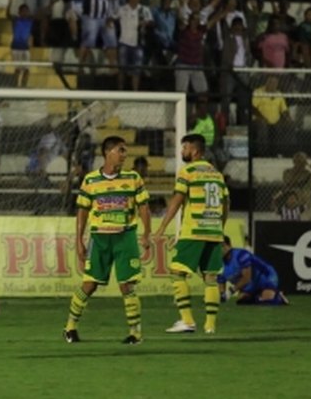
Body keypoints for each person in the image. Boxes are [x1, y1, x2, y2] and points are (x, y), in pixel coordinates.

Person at [62, 136, 152, 345]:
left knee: (127, 286)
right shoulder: (91, 180)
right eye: (121, 150)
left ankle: (135, 333)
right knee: (89, 285)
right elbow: (82, 211)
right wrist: (78, 241)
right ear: (108, 152)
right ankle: (70, 327)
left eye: (125, 151)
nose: (124, 155)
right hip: (99, 237)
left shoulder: (133, 178)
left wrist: (147, 233)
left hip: (125, 237)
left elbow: (144, 207)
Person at [155, 134, 229, 335]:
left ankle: (187, 320)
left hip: (193, 230)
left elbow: (177, 201)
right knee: (211, 278)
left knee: (177, 273)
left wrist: (162, 228)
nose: (182, 151)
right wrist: (219, 228)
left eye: (185, 147)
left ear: (195, 150)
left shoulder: (187, 171)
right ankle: (210, 325)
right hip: (214, 231)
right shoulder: (217, 174)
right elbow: (226, 205)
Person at [218, 237, 289, 305]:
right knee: (242, 301)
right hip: (251, 283)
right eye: (218, 247)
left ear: (229, 246)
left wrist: (231, 291)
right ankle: (259, 296)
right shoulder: (219, 264)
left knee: (266, 300)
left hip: (266, 276)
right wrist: (222, 295)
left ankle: (279, 298)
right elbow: (221, 284)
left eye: (222, 246)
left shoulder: (241, 255)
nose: (220, 249)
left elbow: (246, 278)